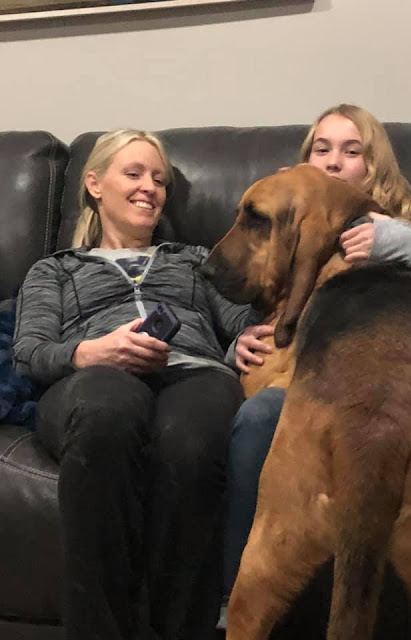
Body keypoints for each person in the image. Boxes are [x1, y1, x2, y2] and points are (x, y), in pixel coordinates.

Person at [219, 104, 411, 628]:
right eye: (321, 149)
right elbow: (252, 309)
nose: (334, 161)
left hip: (406, 388)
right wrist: (235, 343)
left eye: (351, 150)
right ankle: (231, 606)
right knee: (256, 418)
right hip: (312, 385)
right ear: (305, 163)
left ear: (374, 165)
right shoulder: (288, 225)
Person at [13, 129, 258, 640]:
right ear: (95, 184)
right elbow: (30, 352)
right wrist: (89, 352)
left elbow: (241, 321)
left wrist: (247, 340)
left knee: (192, 440)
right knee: (106, 415)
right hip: (91, 379)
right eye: (134, 173)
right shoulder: (56, 269)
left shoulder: (193, 259)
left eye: (160, 180)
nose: (150, 188)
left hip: (194, 373)